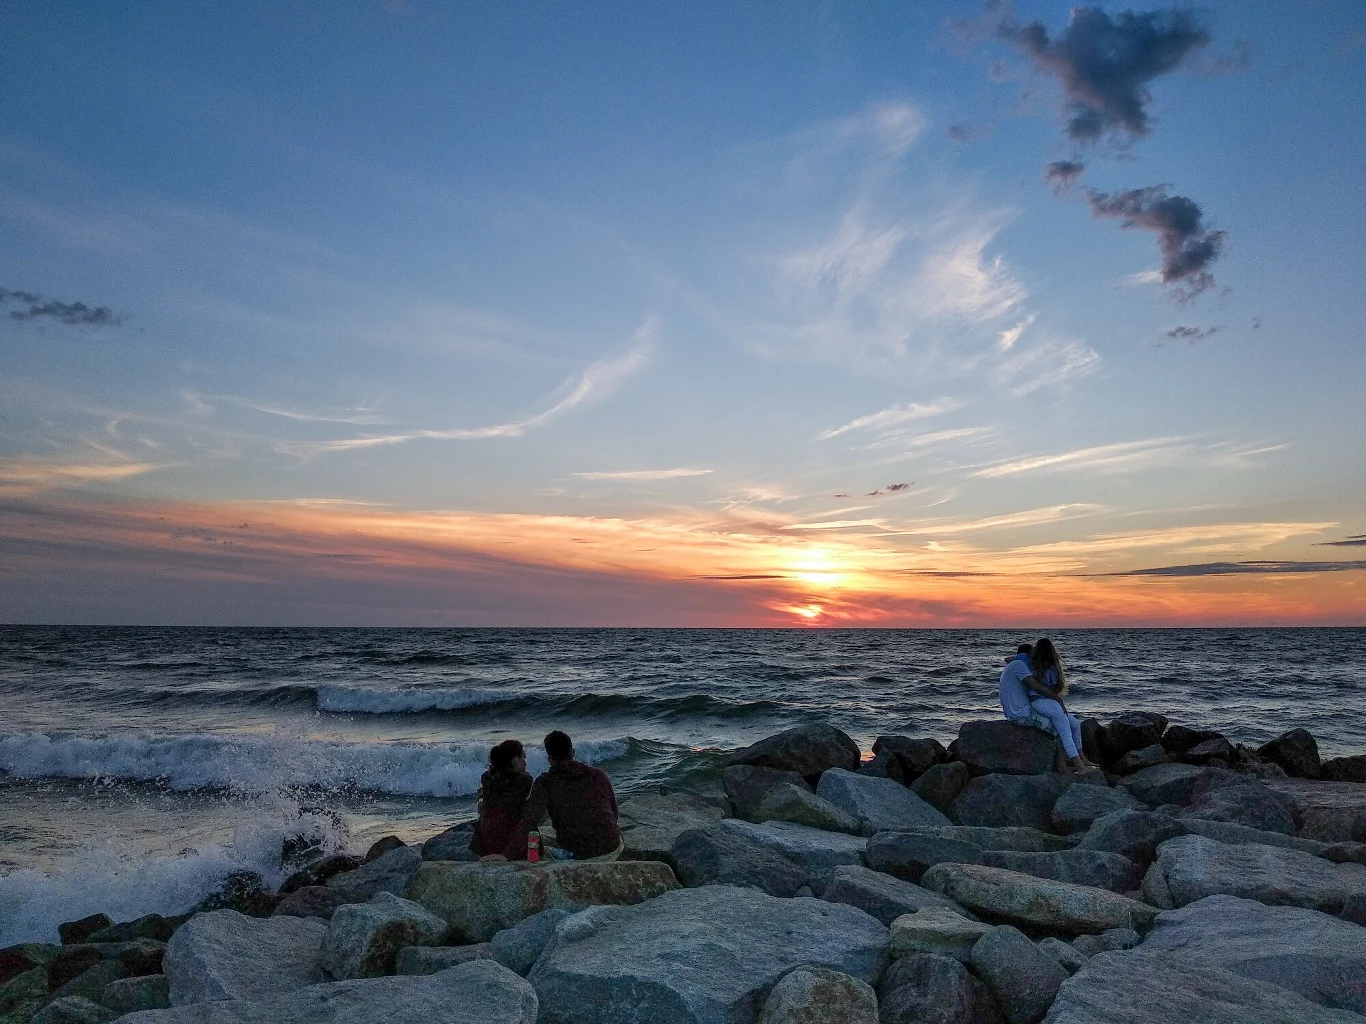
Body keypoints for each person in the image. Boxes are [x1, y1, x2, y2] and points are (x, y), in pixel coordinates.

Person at [506, 730, 622, 861]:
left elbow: (529, 820)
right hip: (610, 846)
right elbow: (614, 812)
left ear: (549, 759)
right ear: (572, 752)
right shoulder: (598, 774)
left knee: (543, 844)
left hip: (577, 851)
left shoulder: (545, 782)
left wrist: (506, 855)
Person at [998, 638, 1088, 771]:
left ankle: (1077, 760)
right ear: (1027, 655)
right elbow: (1036, 686)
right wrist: (1057, 699)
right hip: (1022, 713)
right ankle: (1066, 766)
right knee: (1059, 730)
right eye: (1032, 654)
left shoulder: (1017, 665)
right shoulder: (1019, 665)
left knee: (1073, 724)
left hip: (1025, 709)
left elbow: (1007, 659)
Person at [470, 739, 533, 857]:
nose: (525, 763)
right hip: (510, 839)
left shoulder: (486, 778)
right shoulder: (525, 781)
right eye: (523, 758)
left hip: (486, 839)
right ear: (515, 760)